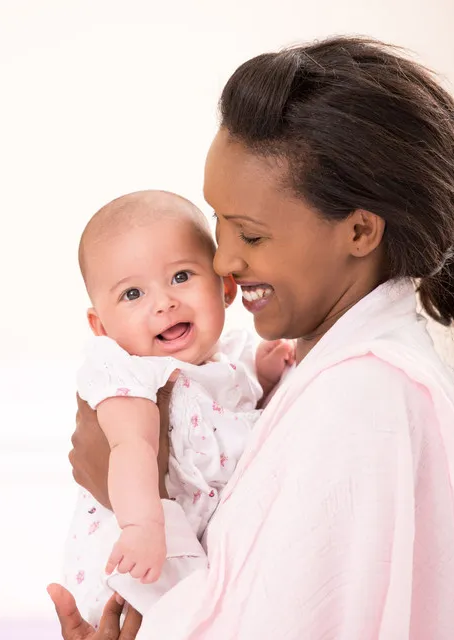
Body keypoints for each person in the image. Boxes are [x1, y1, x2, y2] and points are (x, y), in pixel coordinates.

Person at [49, 36, 454, 639]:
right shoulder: (309, 376)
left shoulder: (365, 401)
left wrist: (135, 493)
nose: (224, 261)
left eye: (251, 235)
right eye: (218, 223)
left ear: (360, 231)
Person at [64, 190, 294, 625]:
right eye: (132, 293)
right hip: (136, 558)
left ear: (225, 288)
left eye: (181, 277)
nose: (163, 303)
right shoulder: (130, 374)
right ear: (102, 327)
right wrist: (142, 528)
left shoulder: (229, 358)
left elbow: (237, 417)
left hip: (200, 566)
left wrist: (262, 379)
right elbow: (131, 446)